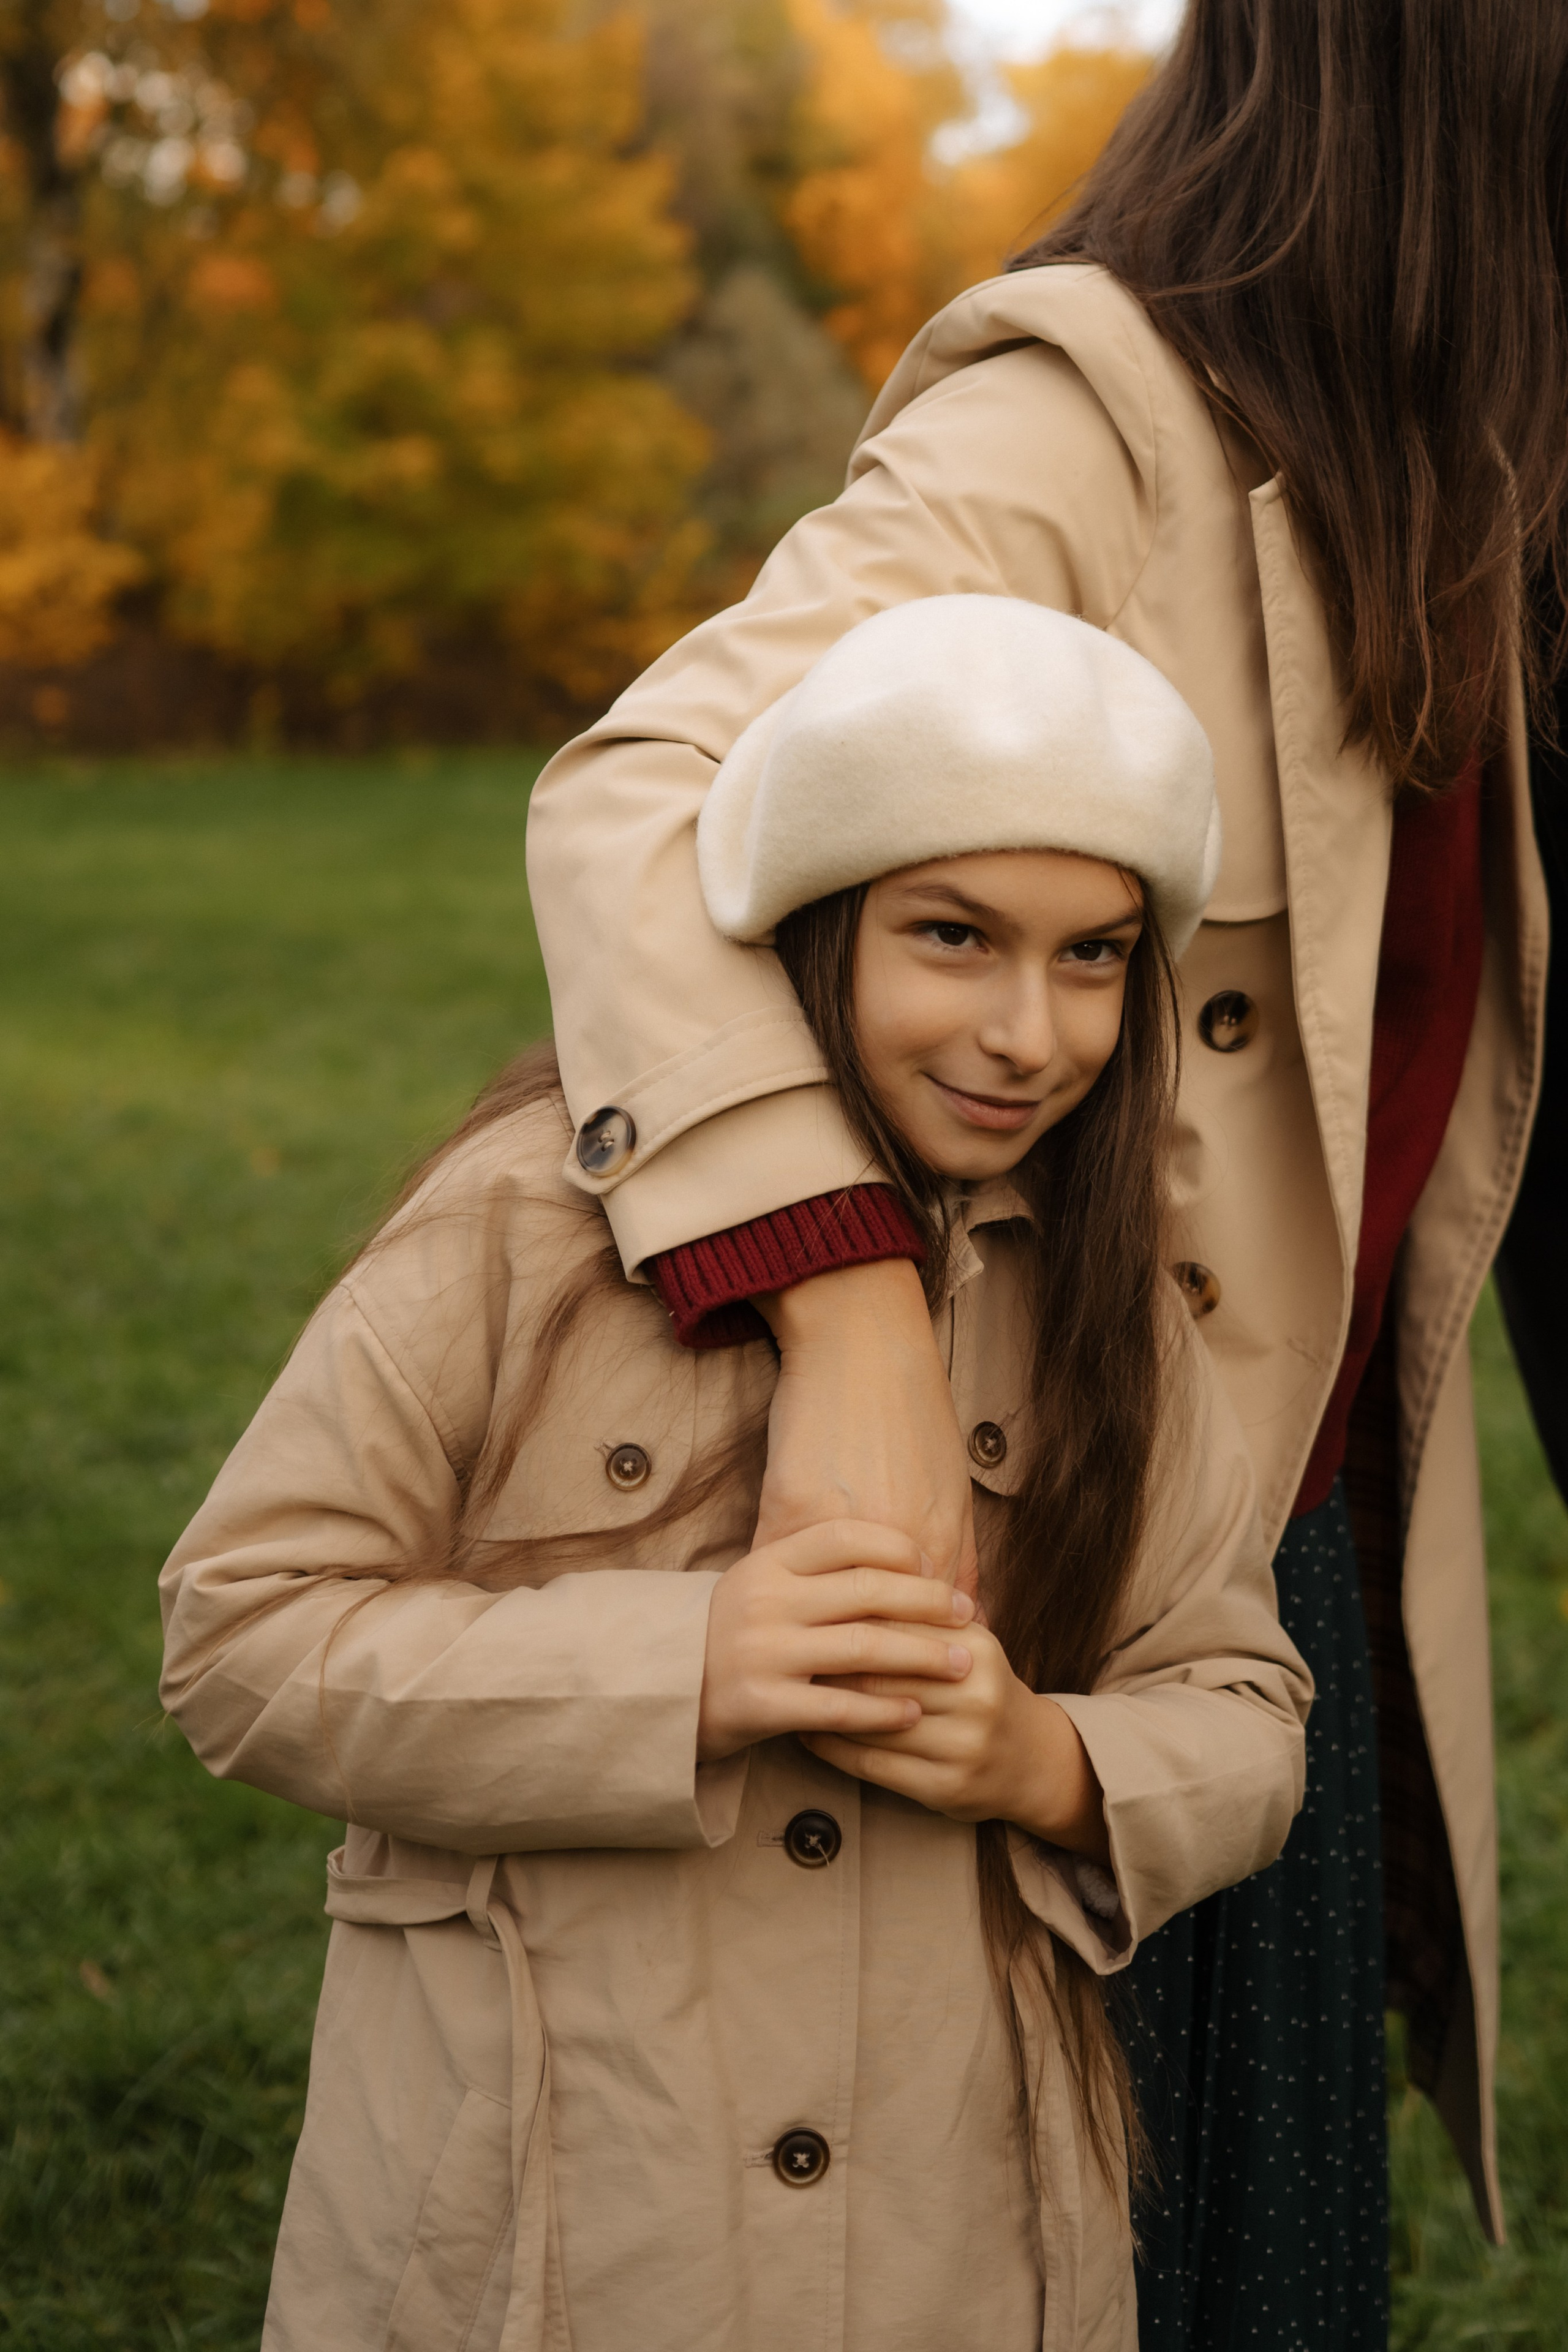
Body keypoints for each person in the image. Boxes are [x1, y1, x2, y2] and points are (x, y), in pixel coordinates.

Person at [522, 3, 1568, 2341]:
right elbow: (637, 794)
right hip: (1020, 1567)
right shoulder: (1082, 426)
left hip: (1265, 1576)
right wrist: (852, 1312)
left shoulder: (1470, 465)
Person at [160, 598, 1311, 2352]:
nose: (1028, 1030)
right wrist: (684, 1664)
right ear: (809, 923)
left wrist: (1052, 1759)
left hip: (955, 2240)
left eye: (1092, 957)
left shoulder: (1110, 1313)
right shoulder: (520, 1230)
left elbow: (1243, 1709)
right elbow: (238, 1640)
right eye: (953, 935)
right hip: (551, 2236)